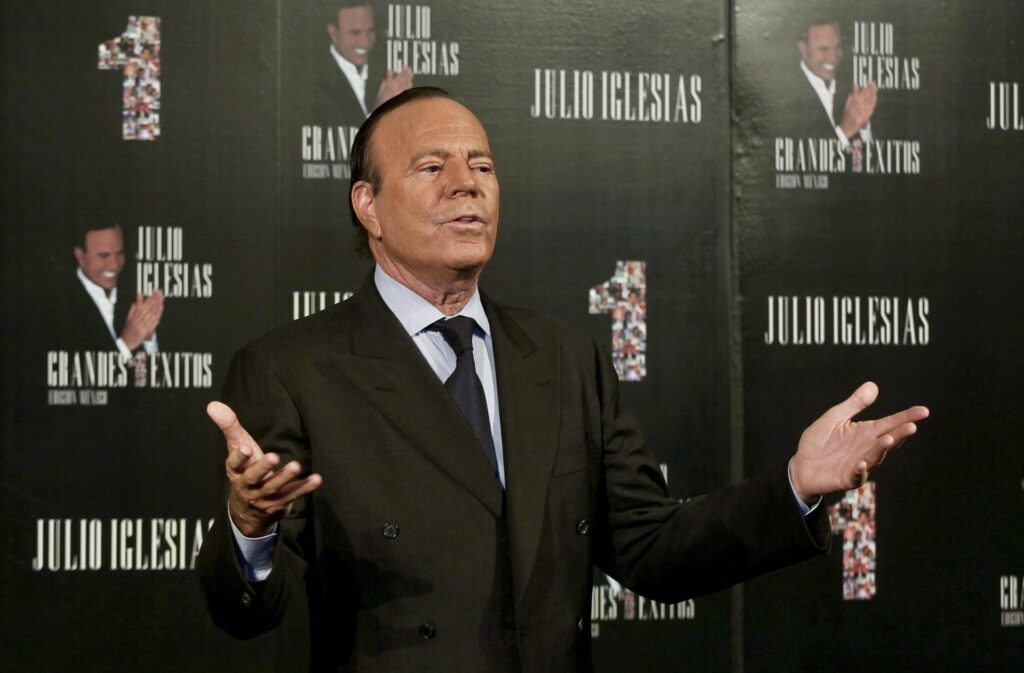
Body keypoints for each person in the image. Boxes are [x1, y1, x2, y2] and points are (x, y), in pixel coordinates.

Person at [198, 87, 928, 672]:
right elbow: (244, 613)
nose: (466, 185)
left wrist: (795, 485)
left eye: (483, 167)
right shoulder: (293, 369)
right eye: (432, 168)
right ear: (369, 206)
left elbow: (651, 547)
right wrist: (250, 527)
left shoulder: (563, 358)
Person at [70, 223, 163, 359]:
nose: (115, 265)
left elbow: (147, 371)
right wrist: (125, 345)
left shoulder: (133, 296)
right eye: (104, 256)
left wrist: (148, 339)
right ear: (80, 256)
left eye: (120, 253)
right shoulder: (58, 305)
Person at [790, 19, 877, 147]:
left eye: (838, 47)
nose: (834, 58)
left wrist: (862, 127)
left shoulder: (851, 90)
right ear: (803, 49)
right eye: (824, 49)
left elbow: (862, 158)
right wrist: (844, 131)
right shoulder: (786, 94)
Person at [322, 1, 412, 122]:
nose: (365, 42)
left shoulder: (387, 73)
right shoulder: (310, 79)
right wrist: (379, 112)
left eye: (370, 31)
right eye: (355, 33)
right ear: (333, 32)